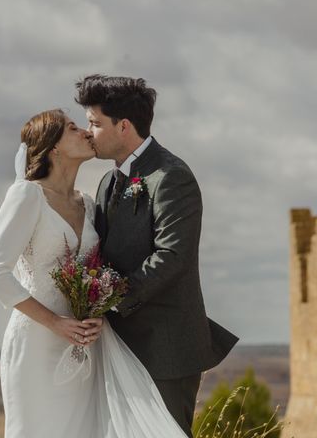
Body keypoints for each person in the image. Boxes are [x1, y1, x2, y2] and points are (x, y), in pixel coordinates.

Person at [0, 109, 190, 437]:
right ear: (52, 147)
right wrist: (56, 323)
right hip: (37, 343)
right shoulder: (27, 195)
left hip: (84, 345)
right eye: (72, 128)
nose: (86, 132)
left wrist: (97, 311)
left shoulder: (89, 203)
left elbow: (98, 270)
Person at [76, 74, 239, 437]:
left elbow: (173, 255)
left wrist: (110, 298)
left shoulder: (171, 176)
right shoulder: (107, 181)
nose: (89, 133)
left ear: (123, 126)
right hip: (117, 348)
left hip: (164, 348)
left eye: (95, 123)